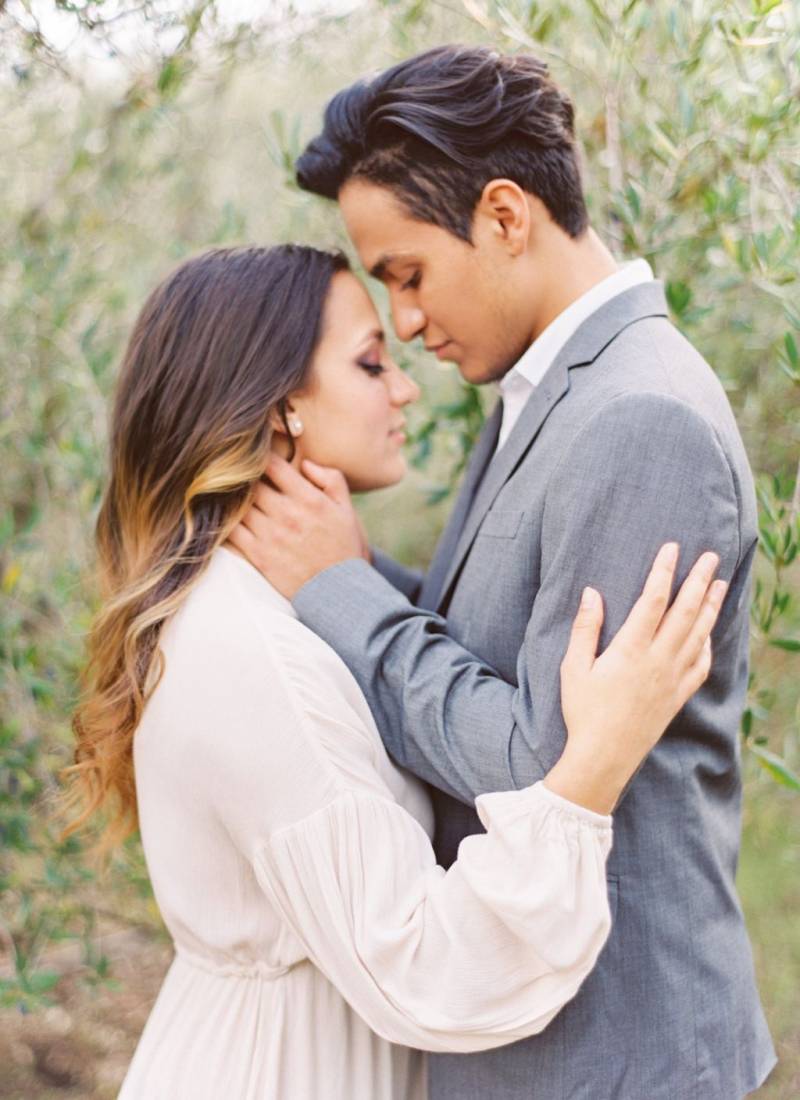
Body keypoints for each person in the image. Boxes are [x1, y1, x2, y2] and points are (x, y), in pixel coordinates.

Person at [230, 45, 776, 1100]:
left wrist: (335, 587)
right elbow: (477, 642)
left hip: (614, 1058)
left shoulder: (637, 418)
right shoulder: (550, 387)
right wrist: (335, 558)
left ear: (504, 215)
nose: (407, 321)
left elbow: (548, 763)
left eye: (406, 273)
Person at [66, 244, 724, 1100]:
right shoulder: (248, 651)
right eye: (372, 362)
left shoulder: (256, 606)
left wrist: (352, 577)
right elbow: (426, 969)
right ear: (279, 411)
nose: (406, 387)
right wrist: (596, 762)